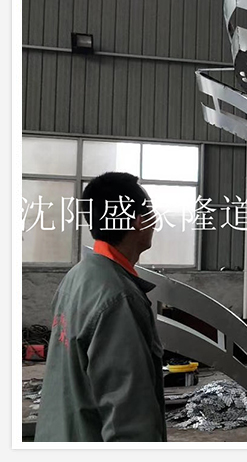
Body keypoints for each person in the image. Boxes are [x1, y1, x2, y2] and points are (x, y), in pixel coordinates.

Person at [35, 172, 167, 442]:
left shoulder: (78, 277)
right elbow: (129, 422)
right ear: (139, 221)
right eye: (151, 212)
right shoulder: (119, 299)